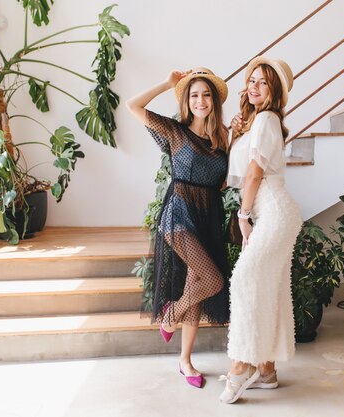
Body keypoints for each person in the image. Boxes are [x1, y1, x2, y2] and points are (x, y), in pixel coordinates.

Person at [126, 68, 231, 389]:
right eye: (194, 95)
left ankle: (185, 361)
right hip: (178, 214)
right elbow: (133, 106)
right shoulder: (174, 131)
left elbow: (227, 181)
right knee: (211, 280)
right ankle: (172, 314)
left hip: (207, 216)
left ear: (214, 101)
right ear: (187, 100)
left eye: (206, 94)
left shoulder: (222, 137)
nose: (201, 100)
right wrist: (168, 84)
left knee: (197, 285)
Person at [219, 57, 303, 403]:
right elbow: (235, 173)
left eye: (262, 83)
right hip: (272, 211)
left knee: (245, 281)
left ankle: (241, 367)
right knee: (269, 287)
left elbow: (254, 175)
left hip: (273, 210)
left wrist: (243, 215)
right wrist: (236, 133)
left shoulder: (268, 118)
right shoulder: (257, 122)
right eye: (251, 80)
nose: (252, 86)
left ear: (275, 92)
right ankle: (266, 370)